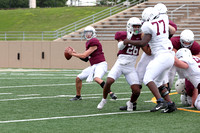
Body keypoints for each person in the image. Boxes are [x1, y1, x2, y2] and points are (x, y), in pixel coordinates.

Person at [123, 7, 176, 113]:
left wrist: (129, 41)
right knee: (158, 82)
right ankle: (170, 104)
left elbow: (143, 42)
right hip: (170, 55)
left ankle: (160, 101)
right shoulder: (164, 19)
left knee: (147, 78)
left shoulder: (148, 25)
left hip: (161, 55)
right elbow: (172, 30)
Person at [97, 17, 151, 110]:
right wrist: (128, 39)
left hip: (130, 67)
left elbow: (146, 48)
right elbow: (120, 47)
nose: (137, 28)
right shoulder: (123, 35)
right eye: (135, 26)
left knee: (136, 90)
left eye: (139, 26)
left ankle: (130, 102)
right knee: (109, 81)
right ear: (129, 26)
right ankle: (104, 99)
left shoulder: (141, 37)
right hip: (120, 64)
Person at [68, 26, 117, 101]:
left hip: (101, 64)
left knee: (97, 78)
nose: (88, 35)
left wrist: (72, 54)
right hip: (94, 66)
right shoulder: (88, 43)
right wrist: (75, 53)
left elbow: (84, 55)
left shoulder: (94, 41)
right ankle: (78, 96)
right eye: (86, 33)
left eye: (89, 33)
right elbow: (85, 59)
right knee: (78, 78)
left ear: (93, 33)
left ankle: (111, 93)